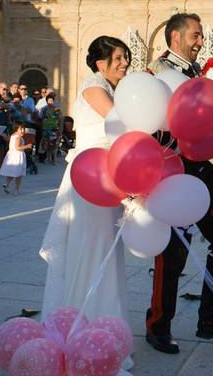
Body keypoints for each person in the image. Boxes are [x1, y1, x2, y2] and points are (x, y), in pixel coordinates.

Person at [146, 13, 213, 353]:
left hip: (199, 167)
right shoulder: (159, 72)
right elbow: (156, 122)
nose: (200, 41)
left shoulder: (196, 74)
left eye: (200, 35)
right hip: (172, 168)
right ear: (175, 38)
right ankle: (158, 324)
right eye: (195, 35)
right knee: (172, 250)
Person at [40, 36, 134, 371]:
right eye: (119, 58)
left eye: (126, 58)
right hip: (90, 180)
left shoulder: (110, 88)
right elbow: (122, 121)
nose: (125, 63)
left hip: (106, 182)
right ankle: (83, 331)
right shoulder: (94, 87)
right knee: (94, 254)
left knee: (105, 255)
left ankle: (103, 333)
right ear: (101, 62)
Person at [0, 122, 30, 194]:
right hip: (18, 157)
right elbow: (17, 147)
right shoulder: (18, 138)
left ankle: (6, 183)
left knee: (11, 172)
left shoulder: (13, 135)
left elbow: (8, 139)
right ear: (16, 129)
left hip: (11, 156)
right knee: (19, 175)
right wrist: (27, 146)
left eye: (24, 129)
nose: (23, 131)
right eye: (21, 129)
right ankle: (16, 190)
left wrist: (4, 136)